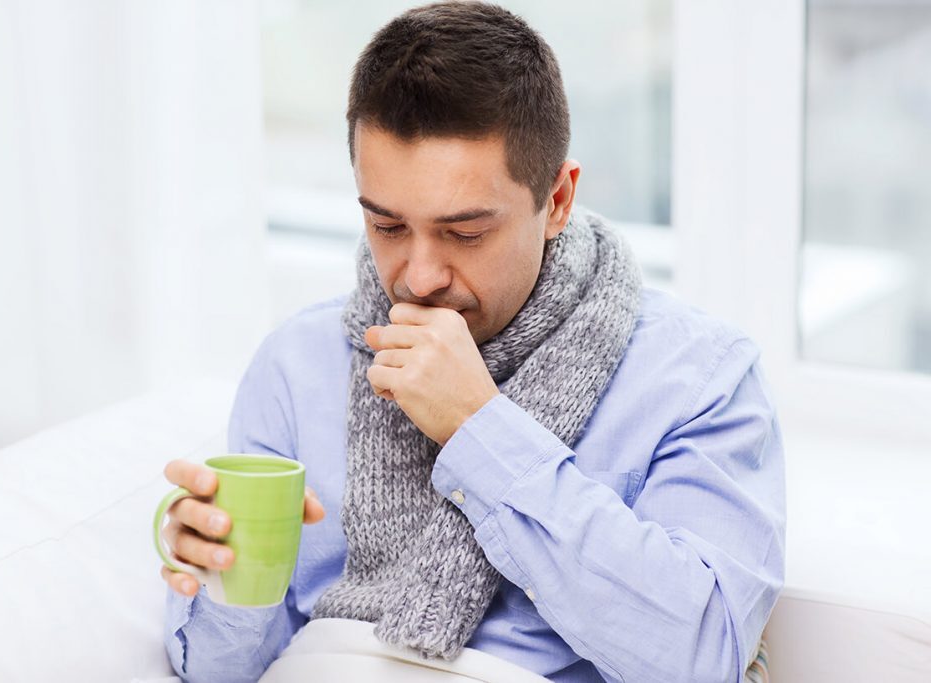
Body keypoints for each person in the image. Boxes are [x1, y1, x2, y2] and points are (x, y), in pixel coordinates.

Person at [159, 2, 786, 682]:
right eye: (388, 226)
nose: (420, 277)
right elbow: (219, 673)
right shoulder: (296, 363)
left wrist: (479, 429)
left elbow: (701, 657)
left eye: (465, 233)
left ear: (558, 200)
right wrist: (219, 576)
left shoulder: (698, 376)